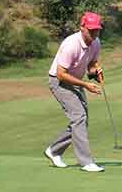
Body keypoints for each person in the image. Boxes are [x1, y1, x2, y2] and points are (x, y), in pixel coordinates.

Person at [44, 12, 105, 172]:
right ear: (82, 27)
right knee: (79, 117)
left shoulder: (96, 42)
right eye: (91, 30)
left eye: (96, 30)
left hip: (75, 81)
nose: (94, 33)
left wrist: (94, 72)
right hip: (59, 82)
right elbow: (61, 74)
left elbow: (91, 63)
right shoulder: (71, 44)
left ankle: (54, 150)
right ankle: (86, 162)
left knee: (80, 121)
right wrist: (85, 85)